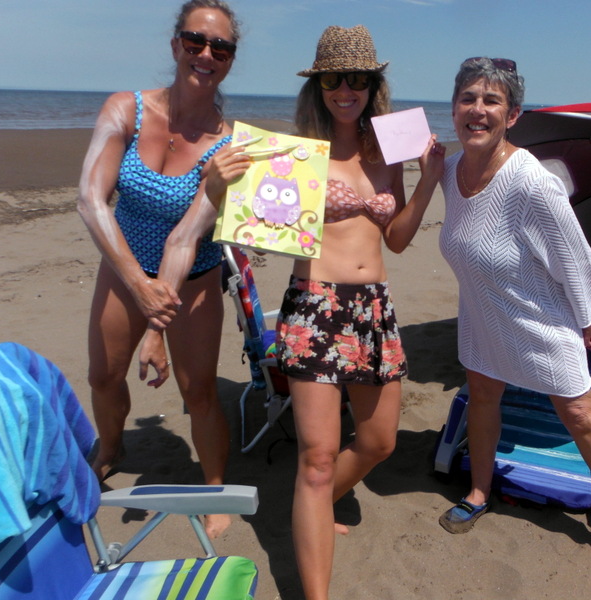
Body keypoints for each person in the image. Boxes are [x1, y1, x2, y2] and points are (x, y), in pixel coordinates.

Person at [214, 24, 443, 600]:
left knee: (379, 442)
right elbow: (255, 224)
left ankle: (314, 502)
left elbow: (394, 240)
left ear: (373, 85)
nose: (347, 89)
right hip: (316, 305)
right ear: (317, 86)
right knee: (316, 459)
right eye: (334, 79)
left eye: (358, 78)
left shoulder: (388, 149)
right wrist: (222, 192)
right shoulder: (293, 156)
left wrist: (429, 183)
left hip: (374, 308)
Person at [437, 57, 591, 599]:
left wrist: (586, 323)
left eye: (492, 101)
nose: (478, 110)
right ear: (454, 107)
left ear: (512, 115)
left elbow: (577, 260)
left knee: (582, 413)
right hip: (481, 314)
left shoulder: (532, 182)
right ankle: (478, 491)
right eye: (468, 98)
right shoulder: (448, 170)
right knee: (483, 395)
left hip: (541, 321)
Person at [77, 0, 252, 539]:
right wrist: (137, 285)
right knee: (103, 376)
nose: (205, 54)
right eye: (195, 40)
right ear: (176, 44)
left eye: (219, 47)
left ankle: (215, 485)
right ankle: (111, 446)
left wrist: (159, 322)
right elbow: (91, 198)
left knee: (197, 390)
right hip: (124, 265)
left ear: (229, 59)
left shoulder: (231, 144)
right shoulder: (125, 109)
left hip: (193, 277)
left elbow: (187, 234)